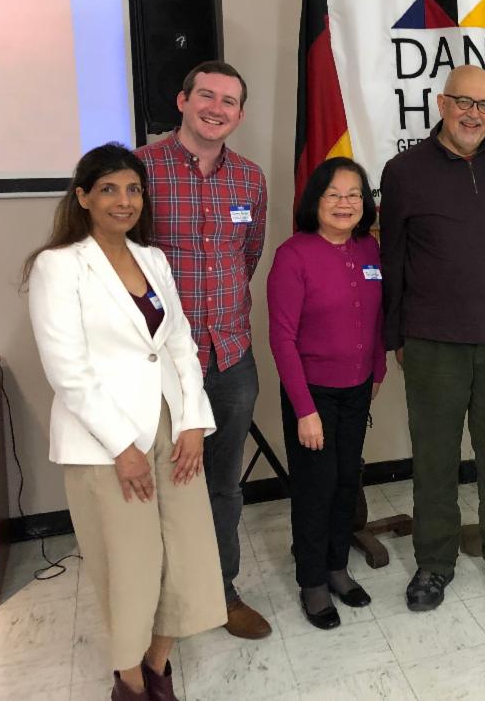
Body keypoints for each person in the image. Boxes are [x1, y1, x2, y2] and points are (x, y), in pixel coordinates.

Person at [24, 144, 225, 701]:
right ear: (83, 197)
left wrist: (192, 421)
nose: (124, 200)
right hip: (106, 441)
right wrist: (122, 446)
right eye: (109, 189)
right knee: (131, 565)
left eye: (133, 189)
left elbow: (179, 342)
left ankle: (158, 664)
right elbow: (68, 370)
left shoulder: (152, 258)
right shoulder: (59, 265)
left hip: (170, 428)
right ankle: (131, 683)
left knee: (185, 552)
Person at [380, 64, 485, 611]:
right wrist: (395, 336)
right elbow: (392, 258)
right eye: (464, 102)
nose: (474, 114)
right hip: (432, 341)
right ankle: (433, 564)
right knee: (434, 458)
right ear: (442, 104)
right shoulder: (404, 171)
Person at [135, 61, 271, 639]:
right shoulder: (141, 170)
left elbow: (248, 255)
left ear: (240, 114)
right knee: (159, 487)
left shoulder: (250, 179)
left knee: (223, 485)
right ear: (182, 100)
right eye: (207, 96)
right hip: (162, 365)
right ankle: (161, 605)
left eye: (229, 101)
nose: (217, 109)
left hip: (231, 357)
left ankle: (221, 592)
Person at [267, 157, 386, 629]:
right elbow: (282, 338)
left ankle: (337, 566)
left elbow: (376, 318)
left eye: (354, 194)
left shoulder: (370, 249)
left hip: (357, 388)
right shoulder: (293, 255)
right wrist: (304, 409)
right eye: (333, 194)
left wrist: (376, 373)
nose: (344, 203)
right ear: (315, 200)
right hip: (312, 393)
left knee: (345, 481)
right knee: (315, 488)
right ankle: (312, 580)